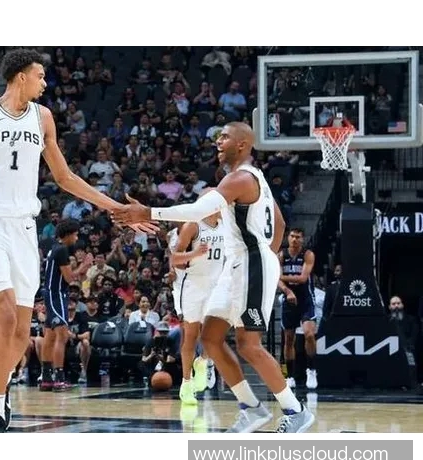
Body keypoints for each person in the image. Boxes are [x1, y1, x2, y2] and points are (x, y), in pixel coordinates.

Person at [0, 48, 156, 433]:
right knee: (5, 315)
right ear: (21, 77)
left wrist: (115, 207)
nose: (45, 83)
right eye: (40, 76)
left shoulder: (43, 117)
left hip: (25, 228)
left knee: (21, 331)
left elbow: (64, 178)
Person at [112, 122, 315, 433]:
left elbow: (198, 211)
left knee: (248, 344)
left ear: (243, 144)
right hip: (238, 265)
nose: (217, 141)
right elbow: (281, 222)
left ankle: (295, 410)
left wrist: (148, 212)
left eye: (224, 136)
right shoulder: (254, 179)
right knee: (209, 338)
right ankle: (251, 409)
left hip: (250, 264)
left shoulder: (242, 178)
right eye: (217, 135)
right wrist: (266, 254)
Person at [169, 201, 224, 405]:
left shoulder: (228, 224)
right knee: (190, 336)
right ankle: (186, 383)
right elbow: (174, 259)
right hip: (193, 285)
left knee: (213, 333)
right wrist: (194, 254)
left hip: (217, 285)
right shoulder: (193, 225)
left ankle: (203, 361)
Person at [40, 219, 86, 392]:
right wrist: (84, 266)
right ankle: (59, 378)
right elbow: (69, 278)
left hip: (51, 293)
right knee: (62, 335)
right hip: (57, 294)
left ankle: (46, 378)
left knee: (50, 336)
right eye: (75, 234)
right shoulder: (62, 250)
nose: (76, 238)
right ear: (67, 235)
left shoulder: (54, 248)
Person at [278, 227, 318, 389]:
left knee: (309, 335)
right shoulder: (281, 255)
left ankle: (312, 370)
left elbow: (302, 278)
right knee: (289, 340)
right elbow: (277, 281)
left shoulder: (307, 255)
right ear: (288, 238)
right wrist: (287, 291)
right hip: (289, 300)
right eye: (292, 236)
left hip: (305, 299)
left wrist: (281, 276)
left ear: (302, 240)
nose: (294, 239)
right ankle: (290, 376)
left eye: (298, 237)